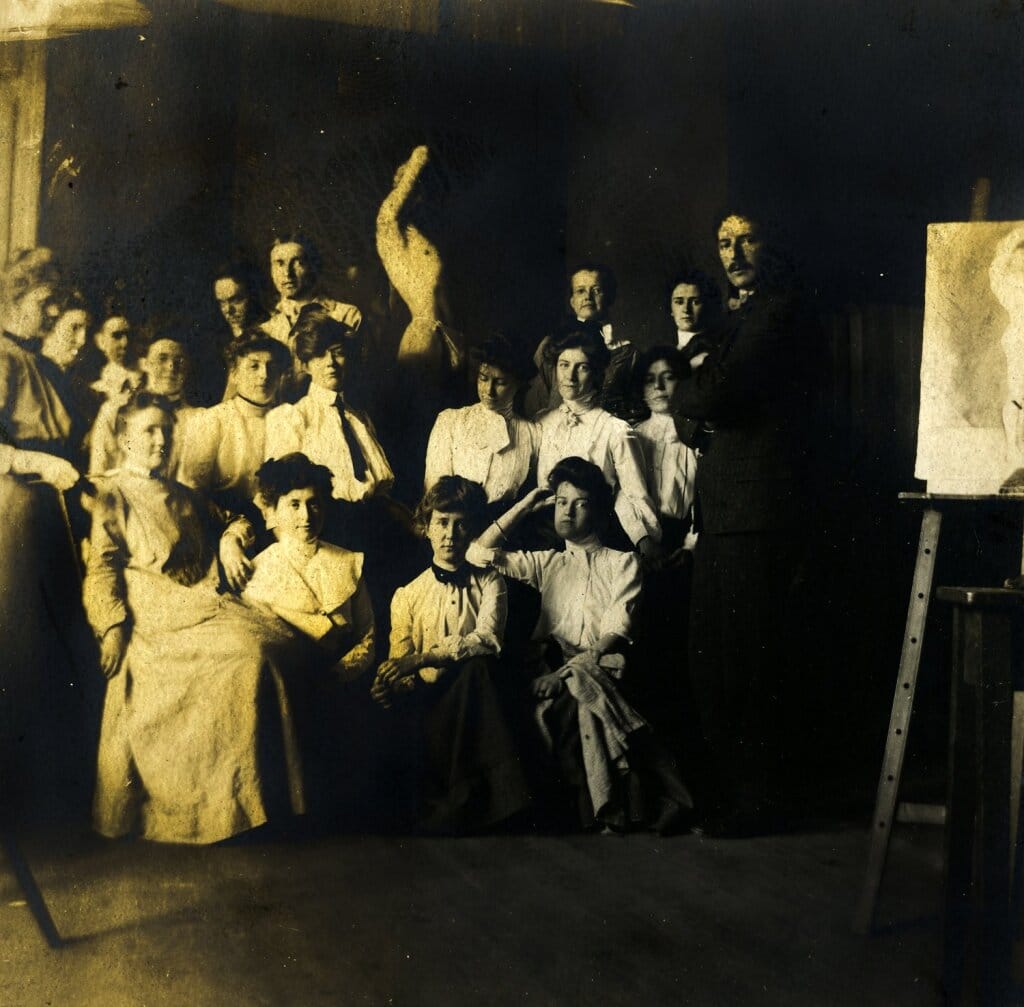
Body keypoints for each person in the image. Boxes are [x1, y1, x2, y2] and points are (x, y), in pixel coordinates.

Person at [84, 392, 306, 844]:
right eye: (149, 431)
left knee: (280, 641)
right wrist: (111, 626)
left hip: (202, 601)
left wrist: (229, 540)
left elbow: (234, 519)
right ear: (125, 439)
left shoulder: (183, 493)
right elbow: (102, 568)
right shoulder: (112, 494)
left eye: (166, 431)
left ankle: (267, 803)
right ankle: (223, 809)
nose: (160, 440)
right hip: (155, 616)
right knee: (249, 654)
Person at [675, 208, 820, 835]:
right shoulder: (744, 314)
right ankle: (737, 795)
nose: (733, 254)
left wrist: (692, 386)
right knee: (718, 658)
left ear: (772, 242)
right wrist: (699, 394)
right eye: (723, 242)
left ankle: (757, 802)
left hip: (755, 514)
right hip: (730, 512)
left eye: (747, 239)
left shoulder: (778, 311)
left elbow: (708, 396)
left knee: (746, 662)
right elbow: (702, 405)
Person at [468, 457, 690, 833]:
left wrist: (564, 675)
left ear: (599, 511)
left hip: (599, 662)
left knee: (581, 694)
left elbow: (614, 632)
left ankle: (611, 808)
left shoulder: (623, 563)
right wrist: (526, 505)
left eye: (580, 503)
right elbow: (477, 553)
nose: (567, 512)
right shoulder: (547, 563)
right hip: (546, 660)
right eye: (561, 502)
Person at [372, 476, 533, 833]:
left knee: (479, 669)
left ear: (472, 530)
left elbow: (489, 639)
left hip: (477, 699)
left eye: (460, 525)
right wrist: (390, 684)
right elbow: (402, 660)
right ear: (426, 527)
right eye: (442, 523)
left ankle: (494, 806)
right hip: (431, 704)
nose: (450, 535)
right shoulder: (407, 594)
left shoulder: (490, 582)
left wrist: (425, 657)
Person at [0, 247, 94, 821]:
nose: (53, 311)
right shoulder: (3, 358)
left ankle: (46, 799)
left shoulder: (38, 363)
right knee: (20, 644)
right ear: (15, 299)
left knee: (53, 644)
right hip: (14, 513)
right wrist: (39, 463)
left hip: (49, 512)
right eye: (45, 301)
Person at [535, 328, 660, 558]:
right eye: (564, 365)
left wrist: (644, 539)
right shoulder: (542, 423)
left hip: (596, 539)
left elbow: (632, 494)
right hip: (545, 540)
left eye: (582, 367)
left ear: (596, 374)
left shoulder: (615, 430)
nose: (570, 376)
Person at [180, 333, 292, 525]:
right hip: (222, 522)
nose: (264, 375)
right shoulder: (213, 419)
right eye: (254, 366)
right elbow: (192, 488)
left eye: (271, 366)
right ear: (234, 374)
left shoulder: (288, 419)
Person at [423, 334, 539, 512]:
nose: (489, 390)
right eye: (483, 378)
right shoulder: (450, 421)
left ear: (518, 384)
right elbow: (435, 489)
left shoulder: (532, 433)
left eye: (500, 382)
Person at [525, 264, 636, 419]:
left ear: (609, 297)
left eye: (596, 290)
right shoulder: (551, 345)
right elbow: (539, 400)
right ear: (572, 301)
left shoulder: (626, 352)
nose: (588, 297)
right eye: (580, 291)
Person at [259, 233, 362, 401]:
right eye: (279, 263)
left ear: (312, 266)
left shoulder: (346, 315)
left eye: (297, 263)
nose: (287, 273)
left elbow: (361, 381)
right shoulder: (266, 330)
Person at [89, 327, 198, 477]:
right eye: (162, 358)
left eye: (179, 360)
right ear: (145, 364)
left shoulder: (198, 419)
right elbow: (97, 474)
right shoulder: (112, 411)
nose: (171, 367)